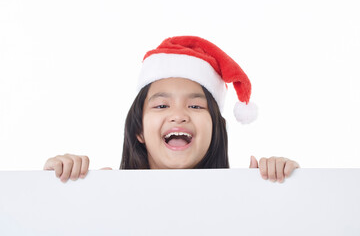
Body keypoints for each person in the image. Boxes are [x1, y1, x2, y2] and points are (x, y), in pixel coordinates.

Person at [44, 36, 299, 183]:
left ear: (215, 129)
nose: (179, 115)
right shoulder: (104, 195)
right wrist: (59, 184)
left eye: (195, 105)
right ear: (139, 131)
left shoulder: (244, 199)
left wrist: (278, 188)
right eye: (162, 105)